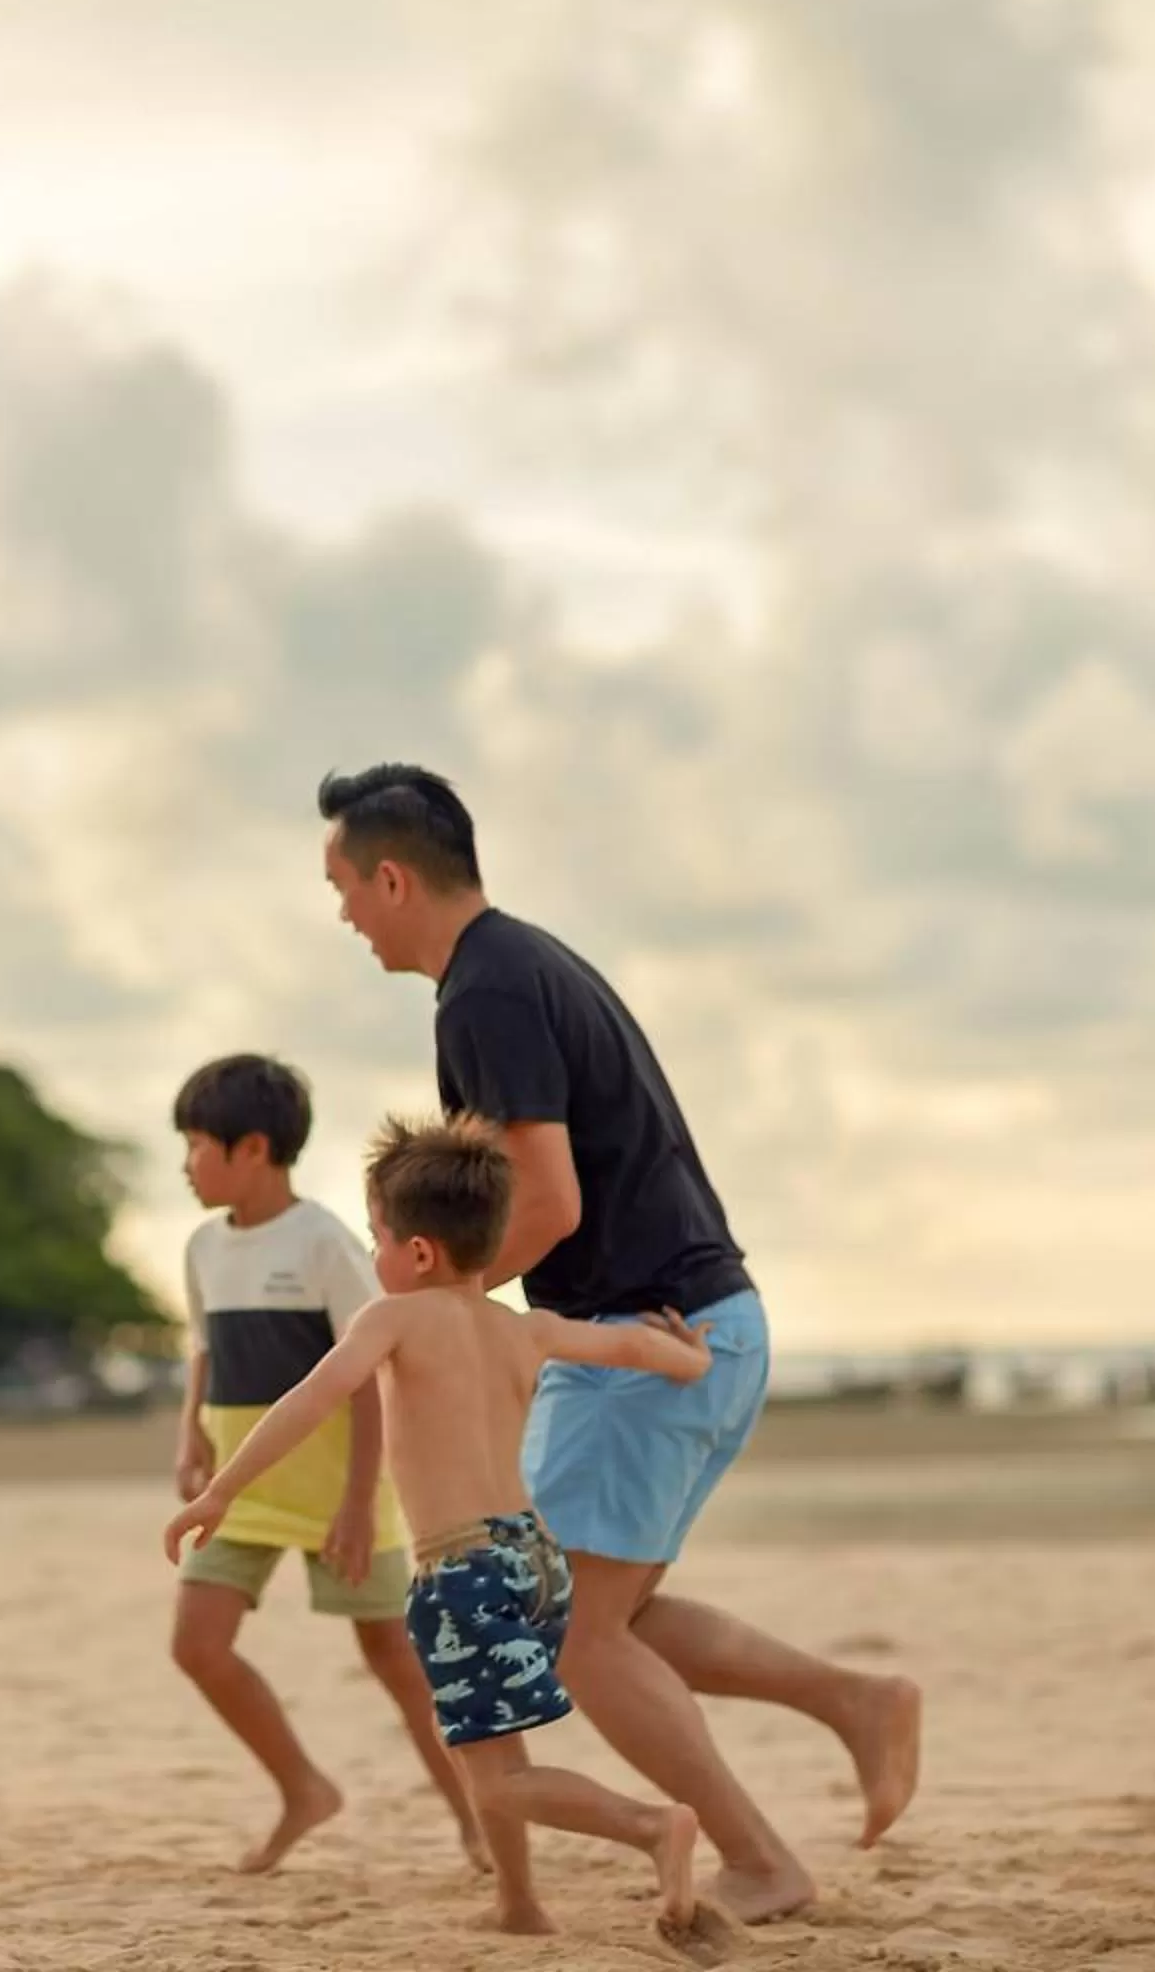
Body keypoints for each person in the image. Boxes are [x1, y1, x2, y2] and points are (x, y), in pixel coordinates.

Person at [311, 763, 923, 1923]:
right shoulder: (521, 962)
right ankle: (857, 1701)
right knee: (614, 1617)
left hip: (641, 1328)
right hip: (698, 1320)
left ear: (392, 876)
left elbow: (549, 1198)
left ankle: (761, 1857)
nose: (341, 911)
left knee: (579, 1636)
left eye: (343, 885)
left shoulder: (484, 992)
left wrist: (456, 1318)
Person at [166, 1113, 735, 1960]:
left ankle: (651, 1827)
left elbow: (307, 1402)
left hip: (461, 1566)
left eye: (377, 1241)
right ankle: (517, 1903)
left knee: (497, 1776)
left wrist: (219, 1491)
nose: (374, 1259)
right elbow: (628, 1348)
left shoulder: (392, 1321)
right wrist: (691, 1359)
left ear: (419, 1252)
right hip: (535, 1560)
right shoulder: (524, 1328)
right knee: (483, 1739)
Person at [165, 1054, 484, 1875]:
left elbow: (366, 1378)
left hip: (339, 1487)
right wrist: (191, 1437)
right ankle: (304, 1788)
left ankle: (478, 1819)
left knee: (394, 1661)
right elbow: (204, 1350)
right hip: (243, 1485)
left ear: (254, 1149)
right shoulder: (202, 1247)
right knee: (197, 1647)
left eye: (198, 1144)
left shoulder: (325, 1245)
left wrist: (355, 1502)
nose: (186, 1163)